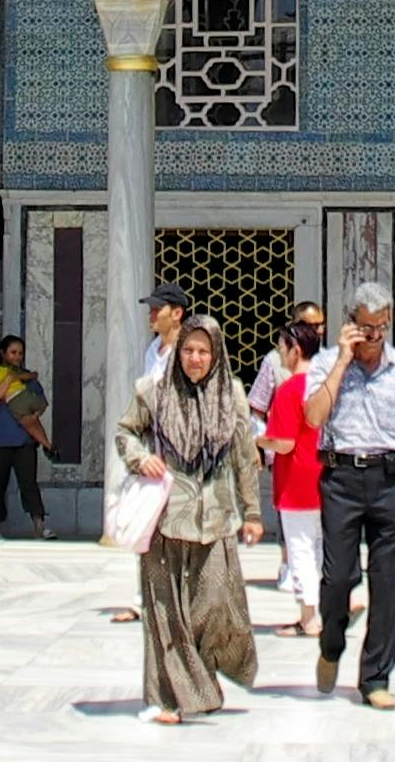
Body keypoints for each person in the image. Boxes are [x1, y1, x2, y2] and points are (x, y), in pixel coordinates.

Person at [119, 315, 264, 721]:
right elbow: (126, 431)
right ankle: (167, 699)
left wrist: (252, 512)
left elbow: (243, 457)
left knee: (213, 609)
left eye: (203, 351)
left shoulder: (231, 394)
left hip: (215, 520)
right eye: (187, 350)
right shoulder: (153, 392)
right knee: (166, 616)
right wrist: (140, 456)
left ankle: (200, 683)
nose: (195, 359)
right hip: (165, 520)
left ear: (216, 354)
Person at [305, 286, 395, 710]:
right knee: (338, 576)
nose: (375, 336)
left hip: (390, 478)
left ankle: (376, 677)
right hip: (341, 477)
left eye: (381, 327)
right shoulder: (327, 362)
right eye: (367, 327)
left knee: (387, 579)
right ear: (351, 322)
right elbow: (313, 417)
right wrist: (343, 361)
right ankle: (331, 642)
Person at [260, 308, 330, 636]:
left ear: (296, 350)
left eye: (282, 348)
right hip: (329, 478)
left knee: (300, 548)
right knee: (319, 547)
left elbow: (285, 443)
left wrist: (259, 439)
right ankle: (323, 609)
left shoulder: (290, 389)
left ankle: (309, 615)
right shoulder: (328, 386)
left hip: (297, 480)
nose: (280, 355)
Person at [0, 335, 50, 538]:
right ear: (3, 353)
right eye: (13, 352)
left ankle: (39, 525)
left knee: (29, 483)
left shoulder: (27, 377)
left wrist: (33, 415)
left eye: (20, 353)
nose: (17, 357)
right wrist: (9, 378)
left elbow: (40, 401)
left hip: (24, 439)